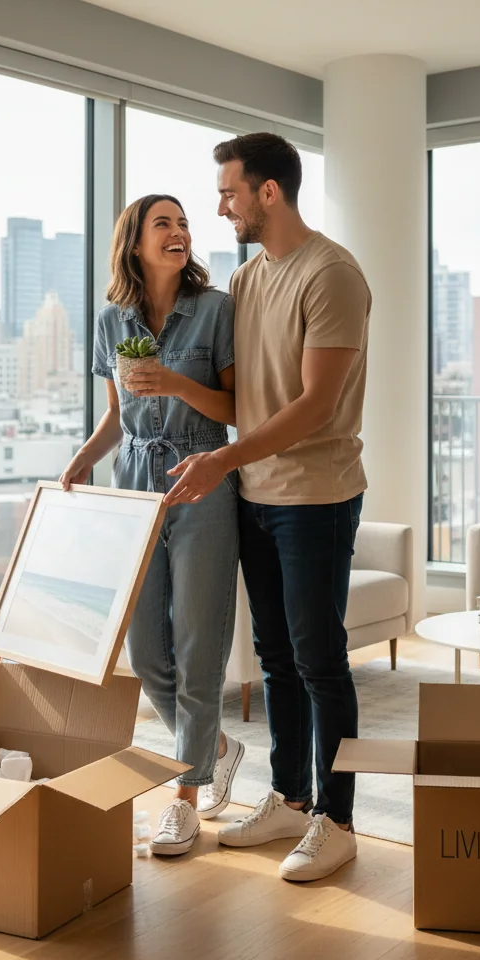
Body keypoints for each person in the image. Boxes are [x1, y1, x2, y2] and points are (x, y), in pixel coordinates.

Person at [165, 133, 371, 882]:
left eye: (229, 193)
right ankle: (288, 797)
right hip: (254, 493)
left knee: (321, 659)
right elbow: (242, 396)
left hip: (316, 497)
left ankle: (339, 818)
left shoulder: (332, 275)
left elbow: (315, 406)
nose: (221, 208)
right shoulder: (248, 280)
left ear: (268, 192)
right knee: (278, 659)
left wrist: (222, 457)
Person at [60, 193, 244, 856]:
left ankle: (185, 798)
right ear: (134, 241)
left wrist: (173, 383)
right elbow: (116, 416)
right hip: (133, 486)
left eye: (184, 223)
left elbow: (233, 405)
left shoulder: (217, 310)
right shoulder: (111, 322)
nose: (180, 232)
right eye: (164, 223)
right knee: (144, 652)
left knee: (198, 648)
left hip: (202, 485)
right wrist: (82, 460)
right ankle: (215, 748)